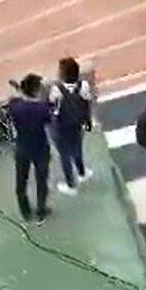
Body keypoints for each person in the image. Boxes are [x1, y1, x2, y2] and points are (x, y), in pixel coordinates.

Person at [6, 73, 53, 223]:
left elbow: (20, 100)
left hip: (22, 147)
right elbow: (48, 115)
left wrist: (19, 89)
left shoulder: (14, 106)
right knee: (42, 181)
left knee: (21, 182)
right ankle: (41, 209)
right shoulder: (43, 108)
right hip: (40, 148)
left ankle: (25, 212)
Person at [49, 58, 93, 195]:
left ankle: (70, 184)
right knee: (77, 148)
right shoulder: (84, 85)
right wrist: (87, 121)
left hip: (61, 129)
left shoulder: (56, 90)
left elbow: (52, 108)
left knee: (64, 155)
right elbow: (86, 104)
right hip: (77, 124)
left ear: (62, 75)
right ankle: (81, 172)